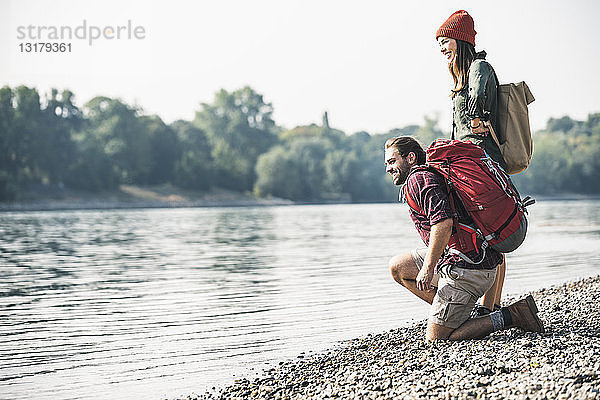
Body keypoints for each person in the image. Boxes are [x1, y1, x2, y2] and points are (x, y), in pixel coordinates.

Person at [384, 136, 543, 341]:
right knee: (398, 267)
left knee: (437, 339)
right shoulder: (429, 174)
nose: (388, 168)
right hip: (472, 258)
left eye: (392, 161)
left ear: (411, 158)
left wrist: (429, 267)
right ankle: (457, 310)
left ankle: (512, 315)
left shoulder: (419, 180)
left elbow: (443, 223)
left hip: (469, 268)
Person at [436, 10, 506, 315]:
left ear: (461, 40)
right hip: (467, 162)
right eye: (439, 44)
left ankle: (492, 305)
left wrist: (478, 117)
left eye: (446, 41)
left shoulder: (479, 66)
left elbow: (478, 99)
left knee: (494, 234)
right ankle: (483, 302)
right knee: (482, 233)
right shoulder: (461, 75)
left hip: (482, 162)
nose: (442, 49)